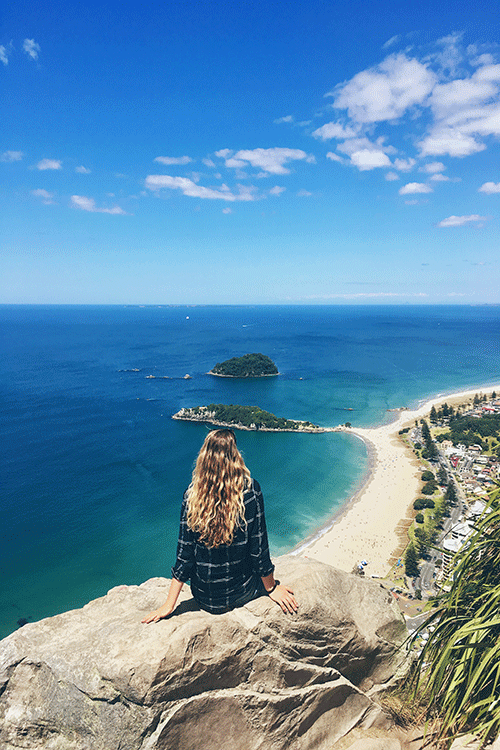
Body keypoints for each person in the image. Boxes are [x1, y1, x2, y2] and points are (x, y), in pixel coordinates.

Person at [142, 429, 298, 623]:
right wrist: (272, 588)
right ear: (235, 455)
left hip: (204, 598)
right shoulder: (250, 491)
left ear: (204, 458)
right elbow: (259, 549)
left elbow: (185, 555)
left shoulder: (192, 497)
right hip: (242, 592)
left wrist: (169, 604)